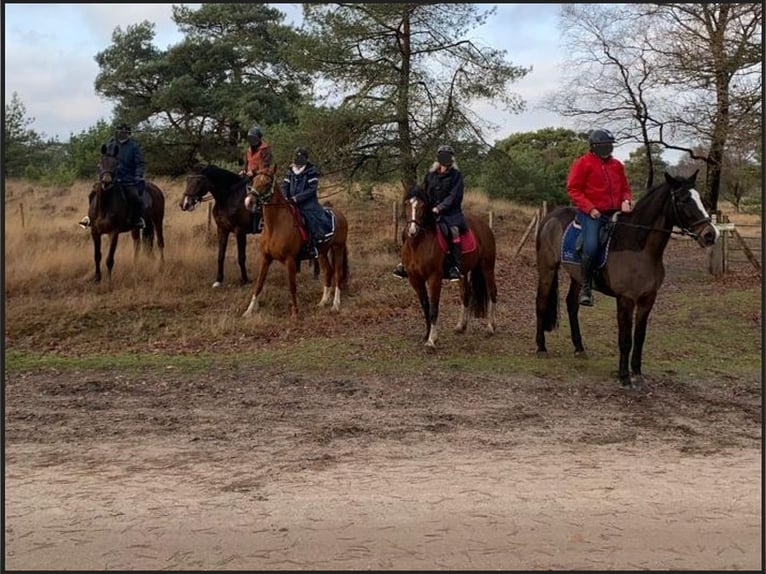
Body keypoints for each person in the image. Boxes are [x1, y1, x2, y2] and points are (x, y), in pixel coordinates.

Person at [566, 128, 633, 306]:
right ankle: (586, 288)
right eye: (606, 145)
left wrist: (626, 200)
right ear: (595, 146)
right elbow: (574, 189)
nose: (609, 148)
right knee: (591, 245)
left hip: (616, 212)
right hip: (592, 213)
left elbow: (625, 187)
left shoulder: (617, 165)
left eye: (611, 145)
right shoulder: (582, 163)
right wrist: (590, 208)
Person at [393, 144, 466, 282]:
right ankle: (404, 262)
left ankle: (454, 266)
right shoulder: (430, 175)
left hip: (450, 213)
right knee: (408, 230)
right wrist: (419, 201)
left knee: (453, 231)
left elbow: (454, 196)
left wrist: (440, 207)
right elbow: (423, 192)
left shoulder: (456, 176)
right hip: (430, 212)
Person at [79, 123, 146, 229]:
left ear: (128, 134)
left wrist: (138, 175)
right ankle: (91, 218)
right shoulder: (110, 144)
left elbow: (140, 164)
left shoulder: (134, 147)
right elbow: (104, 160)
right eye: (120, 132)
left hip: (127, 179)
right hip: (110, 179)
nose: (122, 134)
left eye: (124, 132)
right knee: (92, 194)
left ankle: (137, 219)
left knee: (134, 197)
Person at [281, 147, 332, 259]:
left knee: (310, 219)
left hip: (308, 203)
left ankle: (313, 245)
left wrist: (297, 198)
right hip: (290, 202)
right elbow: (285, 185)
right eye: (297, 158)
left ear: (305, 159)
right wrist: (285, 196)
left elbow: (311, 189)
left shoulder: (311, 171)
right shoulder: (290, 171)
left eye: (301, 158)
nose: (298, 161)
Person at [238, 125, 276, 191]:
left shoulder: (265, 150)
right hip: (249, 176)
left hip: (260, 177)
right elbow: (247, 163)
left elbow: (266, 168)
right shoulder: (249, 150)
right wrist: (244, 170)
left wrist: (254, 172)